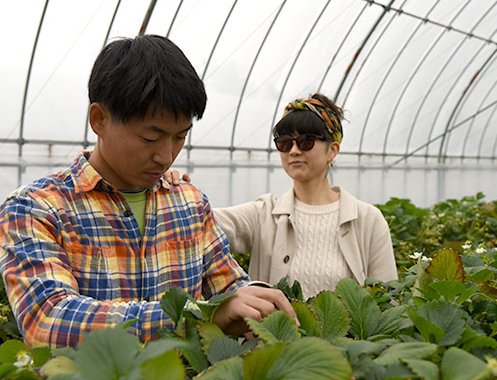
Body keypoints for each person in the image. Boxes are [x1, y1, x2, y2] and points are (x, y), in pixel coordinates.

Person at [0, 34, 297, 349]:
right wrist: (198, 316)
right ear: (99, 119)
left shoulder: (189, 202)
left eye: (180, 137)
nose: (166, 157)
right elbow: (48, 322)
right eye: (150, 138)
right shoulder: (36, 209)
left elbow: (229, 286)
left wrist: (255, 300)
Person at [167, 94, 397, 298]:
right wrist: (172, 191)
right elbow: (198, 221)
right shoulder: (264, 215)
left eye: (306, 142)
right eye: (285, 143)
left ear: (332, 150)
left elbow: (386, 299)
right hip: (277, 346)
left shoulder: (367, 220)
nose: (294, 151)